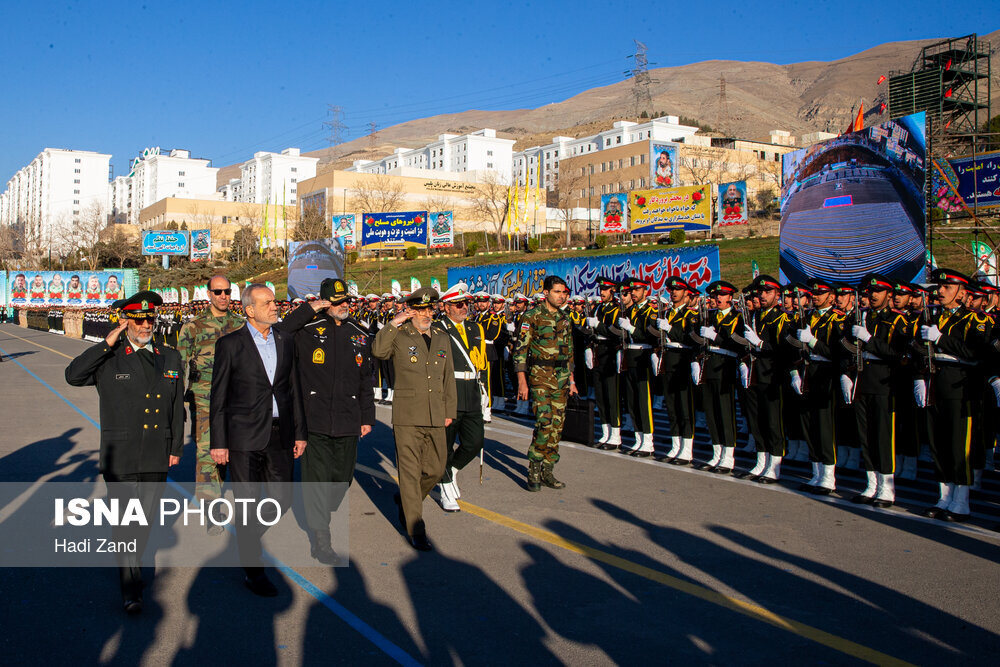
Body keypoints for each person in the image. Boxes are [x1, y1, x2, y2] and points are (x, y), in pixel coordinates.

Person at [65, 291, 184, 614]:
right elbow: (73, 375)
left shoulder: (169, 356)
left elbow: (176, 408)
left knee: (143, 522)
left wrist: (175, 447)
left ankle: (133, 568)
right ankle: (131, 588)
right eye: (138, 319)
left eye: (150, 319)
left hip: (155, 452)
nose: (146, 324)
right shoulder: (110, 358)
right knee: (125, 523)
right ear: (125, 321)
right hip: (121, 454)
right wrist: (107, 343)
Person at [209, 283, 307, 596]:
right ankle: (254, 569)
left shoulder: (286, 340)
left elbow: (294, 389)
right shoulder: (230, 344)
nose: (275, 306)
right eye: (267, 303)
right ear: (249, 310)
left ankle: (246, 535)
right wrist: (219, 442)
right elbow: (219, 398)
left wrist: (300, 433)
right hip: (242, 437)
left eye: (275, 301)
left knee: (283, 499)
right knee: (248, 502)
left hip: (280, 434)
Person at [279, 278, 375, 563]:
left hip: (348, 417)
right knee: (316, 482)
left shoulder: (360, 332)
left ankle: (322, 509)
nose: (344, 305)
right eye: (337, 301)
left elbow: (365, 381)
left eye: (347, 300)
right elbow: (280, 331)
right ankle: (321, 540)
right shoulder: (306, 329)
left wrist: (367, 416)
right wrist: (310, 309)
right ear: (324, 302)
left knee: (341, 479)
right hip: (315, 418)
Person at [372, 287, 456, 551]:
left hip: (436, 413)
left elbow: (448, 376)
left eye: (429, 309)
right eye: (419, 309)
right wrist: (395, 322)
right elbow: (378, 351)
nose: (425, 314)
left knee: (435, 468)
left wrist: (450, 411)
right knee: (409, 473)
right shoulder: (399, 334)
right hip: (408, 414)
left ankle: (408, 502)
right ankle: (415, 528)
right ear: (410, 310)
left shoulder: (442, 337)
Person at [918, 269, 990, 521]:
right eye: (940, 287)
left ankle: (961, 502)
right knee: (940, 444)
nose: (940, 291)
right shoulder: (937, 316)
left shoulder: (976, 320)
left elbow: (974, 352)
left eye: (946, 287)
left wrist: (941, 339)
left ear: (961, 292)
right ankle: (944, 496)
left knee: (960, 445)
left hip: (962, 388)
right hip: (937, 383)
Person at [176, 275, 244, 533]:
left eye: (227, 291)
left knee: (235, 451)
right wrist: (177, 404)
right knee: (207, 453)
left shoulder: (241, 325)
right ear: (209, 294)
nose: (223, 296)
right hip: (203, 398)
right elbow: (179, 366)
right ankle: (212, 509)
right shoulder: (192, 328)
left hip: (237, 399)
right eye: (218, 292)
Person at [514, 276, 577, 491]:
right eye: (557, 292)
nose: (561, 296)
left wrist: (572, 380)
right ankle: (534, 467)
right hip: (540, 377)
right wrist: (522, 382)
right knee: (545, 422)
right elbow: (520, 351)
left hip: (561, 377)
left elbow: (569, 351)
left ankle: (548, 470)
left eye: (564, 292)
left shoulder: (565, 318)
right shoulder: (532, 316)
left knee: (557, 426)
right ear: (546, 293)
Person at [433, 283, 488, 512]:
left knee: (475, 441)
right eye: (458, 304)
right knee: (444, 444)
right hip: (449, 391)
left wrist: (487, 398)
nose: (463, 307)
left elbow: (483, 365)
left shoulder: (476, 329)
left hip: (472, 392)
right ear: (446, 307)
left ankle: (452, 469)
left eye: (466, 303)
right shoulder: (437, 328)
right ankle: (445, 487)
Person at [586, 277, 623, 448]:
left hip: (609, 351)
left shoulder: (617, 309)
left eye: (605, 290)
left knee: (611, 394)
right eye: (601, 289)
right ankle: (605, 432)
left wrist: (598, 326)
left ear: (612, 291)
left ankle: (615, 434)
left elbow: (615, 331)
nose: (602, 293)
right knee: (600, 395)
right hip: (598, 351)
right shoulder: (599, 307)